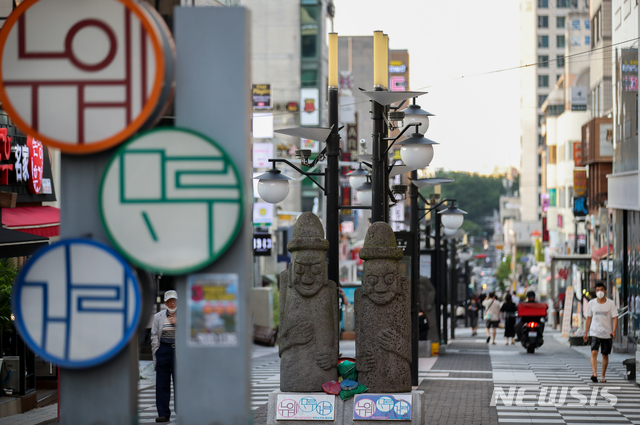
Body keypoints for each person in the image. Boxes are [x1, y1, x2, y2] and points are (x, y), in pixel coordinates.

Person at [151, 290, 178, 423]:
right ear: (165, 303)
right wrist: (157, 350)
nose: (172, 303)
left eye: (174, 301)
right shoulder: (158, 316)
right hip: (164, 350)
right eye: (169, 301)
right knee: (162, 384)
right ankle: (163, 413)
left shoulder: (183, 316)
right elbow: (154, 334)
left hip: (179, 352)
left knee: (180, 382)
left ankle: (182, 411)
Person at [583, 282, 617, 383]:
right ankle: (594, 373)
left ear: (605, 291)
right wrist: (586, 333)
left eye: (601, 290)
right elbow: (588, 318)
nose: (599, 292)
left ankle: (603, 375)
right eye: (597, 290)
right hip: (594, 332)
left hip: (607, 333)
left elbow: (615, 318)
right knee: (594, 352)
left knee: (605, 354)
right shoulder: (592, 303)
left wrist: (614, 331)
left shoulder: (610, 303)